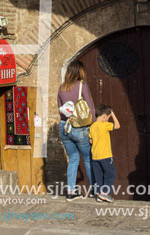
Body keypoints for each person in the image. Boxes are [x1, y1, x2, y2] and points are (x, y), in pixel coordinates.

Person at [56, 60, 95, 200]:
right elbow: (90, 107)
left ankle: (71, 192)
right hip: (80, 128)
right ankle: (95, 191)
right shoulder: (82, 85)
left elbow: (60, 109)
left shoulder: (61, 88)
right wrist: (93, 126)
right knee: (88, 160)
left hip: (64, 126)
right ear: (80, 71)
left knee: (73, 159)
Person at [88, 105, 120, 203]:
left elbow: (91, 141)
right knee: (111, 174)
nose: (107, 119)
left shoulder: (92, 126)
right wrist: (113, 114)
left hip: (95, 156)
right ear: (104, 116)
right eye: (108, 117)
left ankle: (99, 194)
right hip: (105, 155)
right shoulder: (104, 125)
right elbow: (118, 125)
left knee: (98, 176)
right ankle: (105, 193)